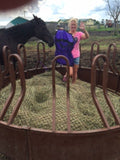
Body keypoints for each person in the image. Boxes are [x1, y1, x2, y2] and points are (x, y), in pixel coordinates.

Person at [63, 18, 89, 83]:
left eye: (74, 25)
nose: (73, 26)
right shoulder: (66, 34)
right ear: (69, 25)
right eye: (72, 24)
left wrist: (84, 30)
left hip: (76, 56)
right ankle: (65, 77)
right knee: (70, 72)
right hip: (68, 56)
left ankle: (73, 85)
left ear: (76, 26)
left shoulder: (79, 34)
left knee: (75, 72)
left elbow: (87, 37)